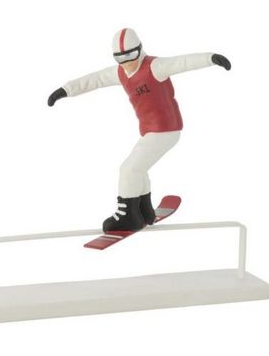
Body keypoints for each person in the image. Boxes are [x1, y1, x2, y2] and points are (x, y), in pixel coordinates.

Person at [48, 27, 231, 232]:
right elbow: (94, 80)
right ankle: (143, 210)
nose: (126, 63)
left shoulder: (155, 67)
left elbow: (183, 62)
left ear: (140, 50)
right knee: (138, 169)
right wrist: (65, 90)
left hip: (165, 129)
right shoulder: (120, 73)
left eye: (130, 56)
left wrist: (211, 58)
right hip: (151, 131)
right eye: (120, 58)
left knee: (129, 169)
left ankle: (128, 215)